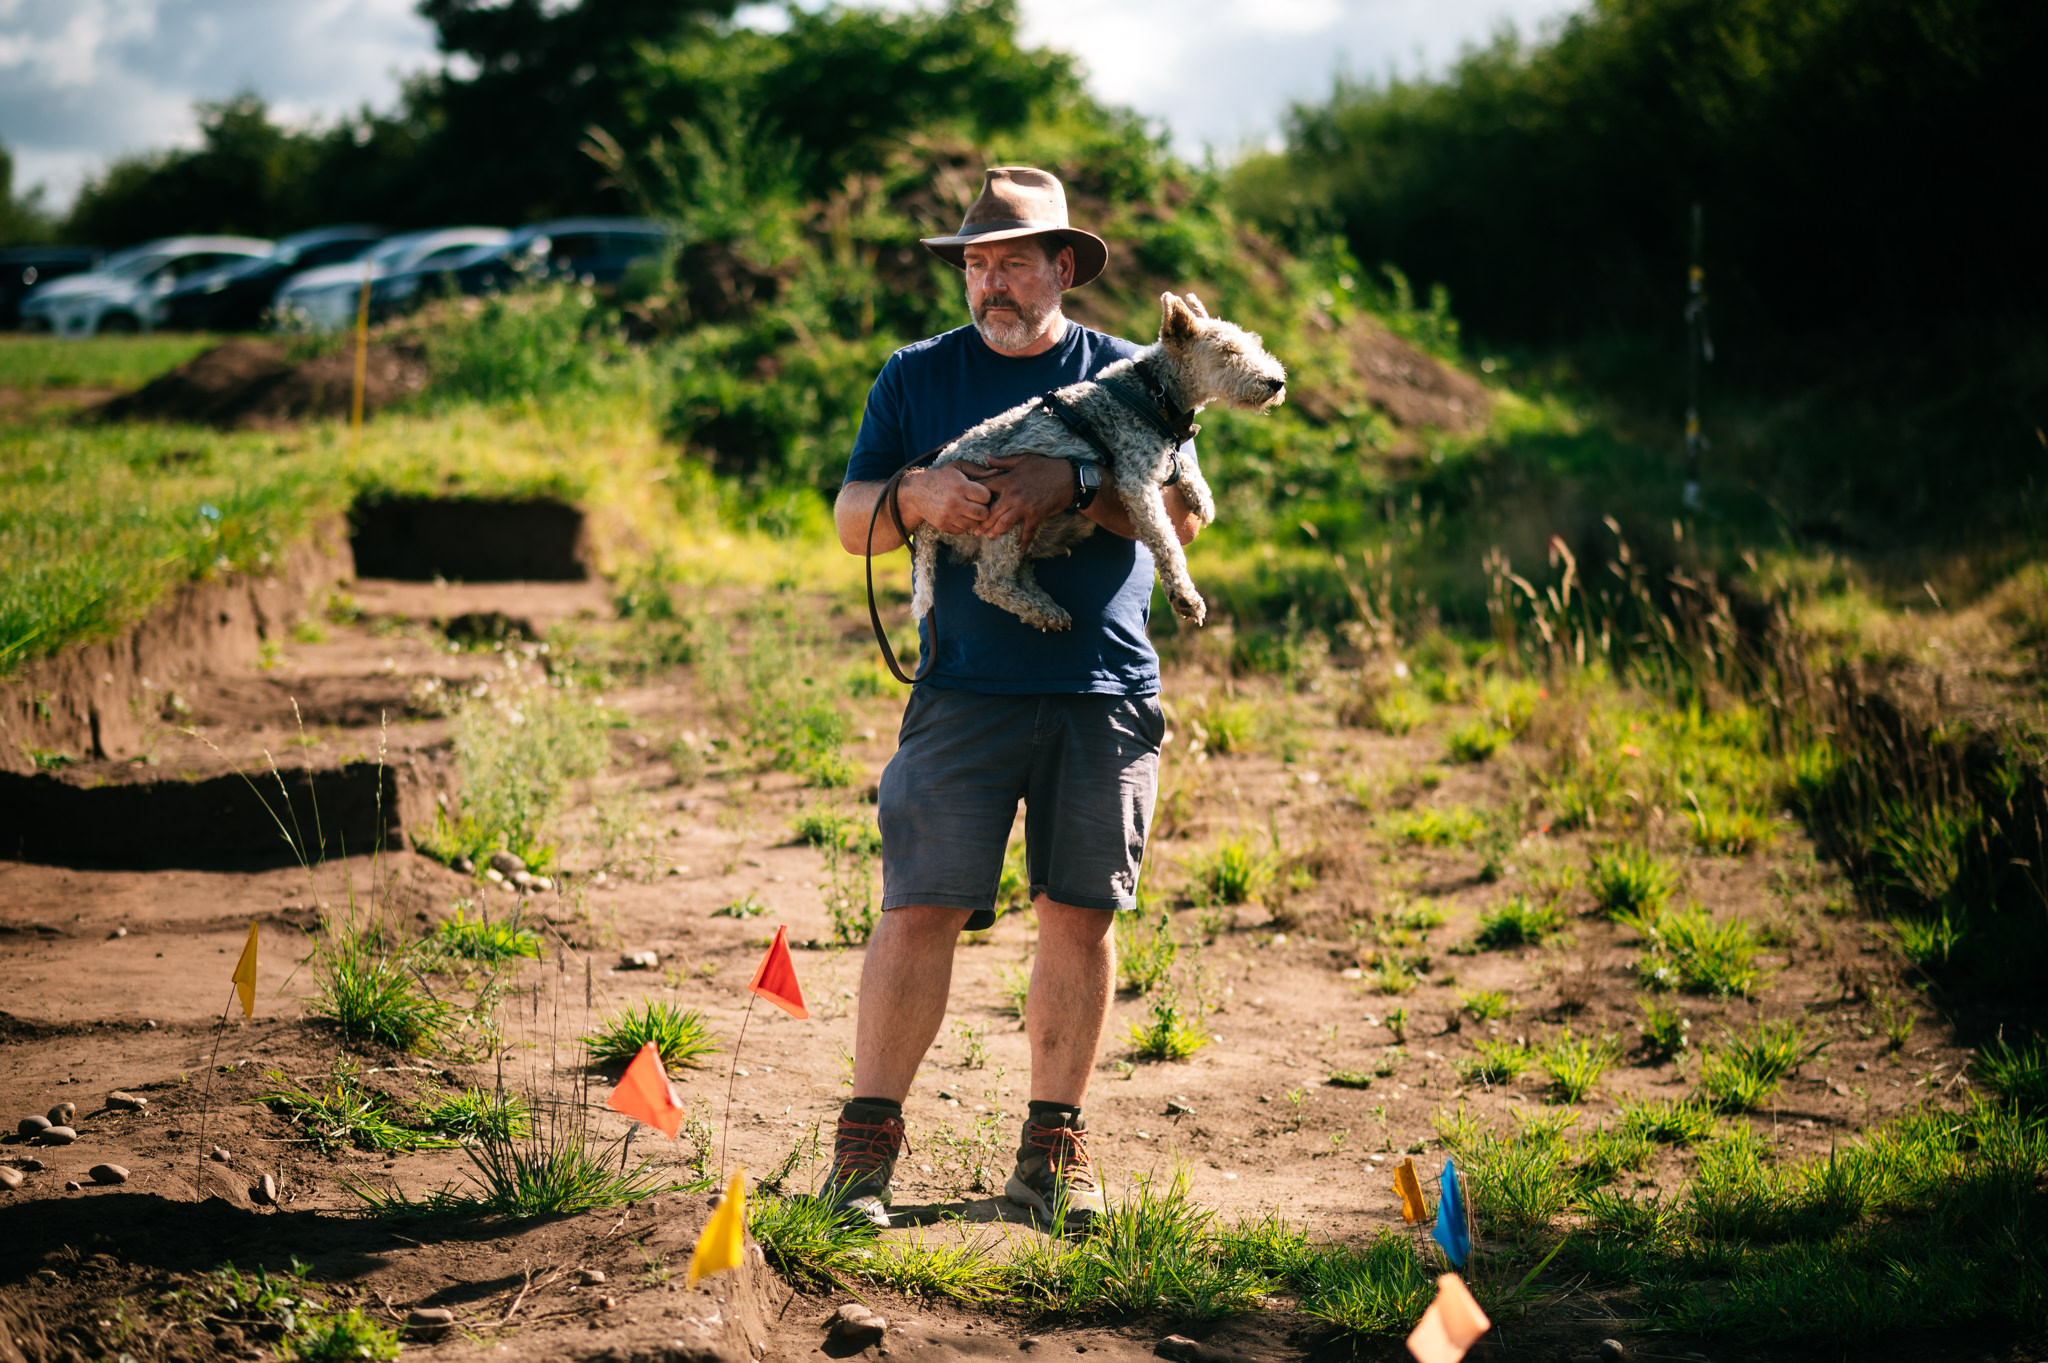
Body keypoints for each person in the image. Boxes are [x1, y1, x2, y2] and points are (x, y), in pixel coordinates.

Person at [825, 166, 1204, 1230]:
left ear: (1060, 268)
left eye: (1009, 263)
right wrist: (912, 492)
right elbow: (851, 517)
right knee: (918, 907)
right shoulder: (914, 377)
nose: (988, 283)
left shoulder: (1134, 372)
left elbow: (1182, 507)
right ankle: (864, 1153)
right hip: (963, 687)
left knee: (1079, 916)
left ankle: (1052, 1154)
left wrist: (1076, 488)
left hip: (1102, 686)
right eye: (973, 264)